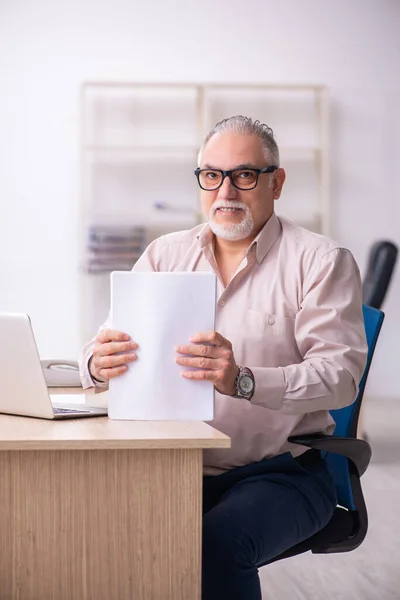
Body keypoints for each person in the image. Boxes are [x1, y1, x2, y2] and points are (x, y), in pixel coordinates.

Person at [80, 115, 368, 600]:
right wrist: (96, 363)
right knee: (88, 534)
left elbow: (340, 379)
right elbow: (98, 345)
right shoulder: (163, 255)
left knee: (216, 543)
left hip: (282, 472)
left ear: (276, 182)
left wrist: (244, 381)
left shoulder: (321, 260)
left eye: (245, 175)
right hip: (169, 466)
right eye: (212, 175)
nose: (226, 190)